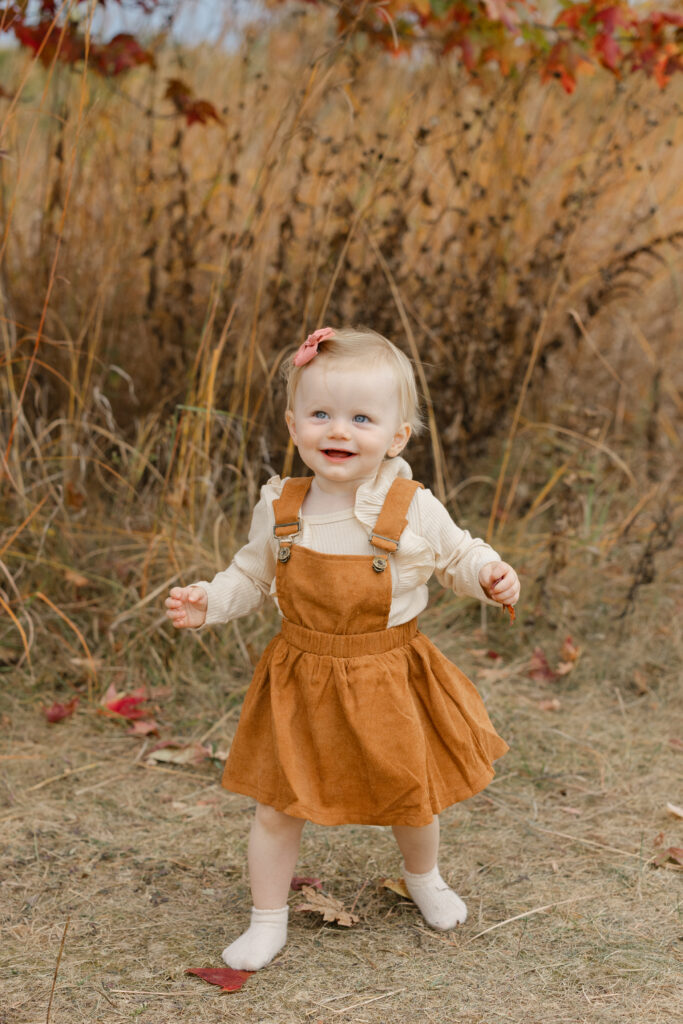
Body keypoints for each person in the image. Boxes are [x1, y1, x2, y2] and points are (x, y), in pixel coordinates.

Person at [165, 326, 520, 972]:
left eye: (362, 417)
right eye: (321, 413)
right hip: (300, 678)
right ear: (293, 423)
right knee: (277, 806)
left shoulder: (410, 506)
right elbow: (250, 575)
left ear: (396, 436)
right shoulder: (281, 505)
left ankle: (424, 876)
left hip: (388, 673)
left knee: (410, 792)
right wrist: (210, 601)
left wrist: (489, 573)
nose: (339, 430)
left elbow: (458, 554)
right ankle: (266, 919)